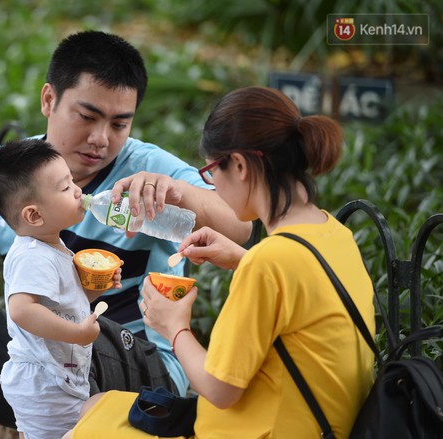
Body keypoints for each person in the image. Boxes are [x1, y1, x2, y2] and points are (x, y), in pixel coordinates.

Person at [0, 30, 252, 438]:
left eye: (119, 124)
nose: (100, 139)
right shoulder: (6, 179)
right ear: (49, 99)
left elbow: (240, 225)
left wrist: (181, 194)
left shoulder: (150, 171)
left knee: (65, 331)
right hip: (47, 359)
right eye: (87, 116)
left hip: (139, 365)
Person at [66, 86, 376, 439]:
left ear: (240, 165)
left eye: (211, 171)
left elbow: (219, 389)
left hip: (263, 429)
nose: (212, 185)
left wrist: (174, 327)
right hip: (311, 423)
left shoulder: (271, 263)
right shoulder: (330, 230)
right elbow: (307, 291)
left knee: (82, 429)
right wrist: (241, 259)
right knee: (96, 408)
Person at [0, 138, 122, 438]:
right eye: (65, 188)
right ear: (34, 215)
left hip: (60, 376)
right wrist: (77, 334)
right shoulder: (34, 255)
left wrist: (96, 289)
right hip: (44, 383)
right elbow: (22, 310)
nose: (77, 191)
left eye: (72, 181)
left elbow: (62, 304)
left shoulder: (51, 246)